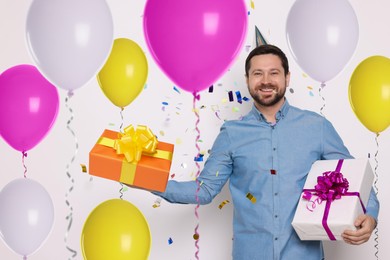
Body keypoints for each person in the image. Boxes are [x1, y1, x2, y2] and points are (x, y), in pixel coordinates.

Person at [153, 44, 379, 260]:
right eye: (258, 73)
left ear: (287, 78)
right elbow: (203, 191)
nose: (266, 81)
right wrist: (145, 177)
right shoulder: (231, 134)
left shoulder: (316, 127)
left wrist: (370, 215)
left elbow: (354, 177)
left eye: (274, 73)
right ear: (248, 80)